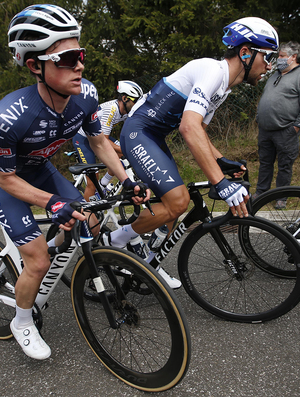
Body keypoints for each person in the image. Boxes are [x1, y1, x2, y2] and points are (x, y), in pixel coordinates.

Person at [0, 4, 149, 361]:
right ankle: (22, 320)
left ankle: (57, 246)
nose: (79, 66)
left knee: (87, 219)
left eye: (80, 55)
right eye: (67, 58)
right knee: (38, 261)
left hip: (39, 167)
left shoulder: (85, 95)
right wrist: (51, 203)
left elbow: (99, 141)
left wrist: (127, 180)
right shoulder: (10, 117)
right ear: (34, 65)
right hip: (5, 177)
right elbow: (6, 178)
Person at [103, 17, 279, 289]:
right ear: (245, 52)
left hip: (153, 137)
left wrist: (221, 161)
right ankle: (114, 242)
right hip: (137, 132)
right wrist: (220, 182)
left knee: (173, 209)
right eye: (268, 57)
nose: (269, 66)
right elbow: (188, 127)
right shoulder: (213, 71)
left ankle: (148, 265)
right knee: (178, 201)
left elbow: (200, 133)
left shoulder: (224, 89)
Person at [72, 80, 143, 201]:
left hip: (97, 135)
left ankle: (103, 184)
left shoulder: (127, 111)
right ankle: (88, 216)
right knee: (92, 183)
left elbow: (128, 134)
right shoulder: (111, 110)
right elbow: (103, 141)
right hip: (82, 138)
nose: (136, 105)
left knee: (121, 152)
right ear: (125, 98)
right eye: (135, 101)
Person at [254, 41, 300, 208]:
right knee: (265, 162)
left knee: (285, 165)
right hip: (265, 129)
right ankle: (261, 192)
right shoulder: (275, 74)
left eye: (282, 56)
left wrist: (296, 127)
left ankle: (281, 196)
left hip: (285, 130)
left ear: (293, 57)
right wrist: (259, 117)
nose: (279, 59)